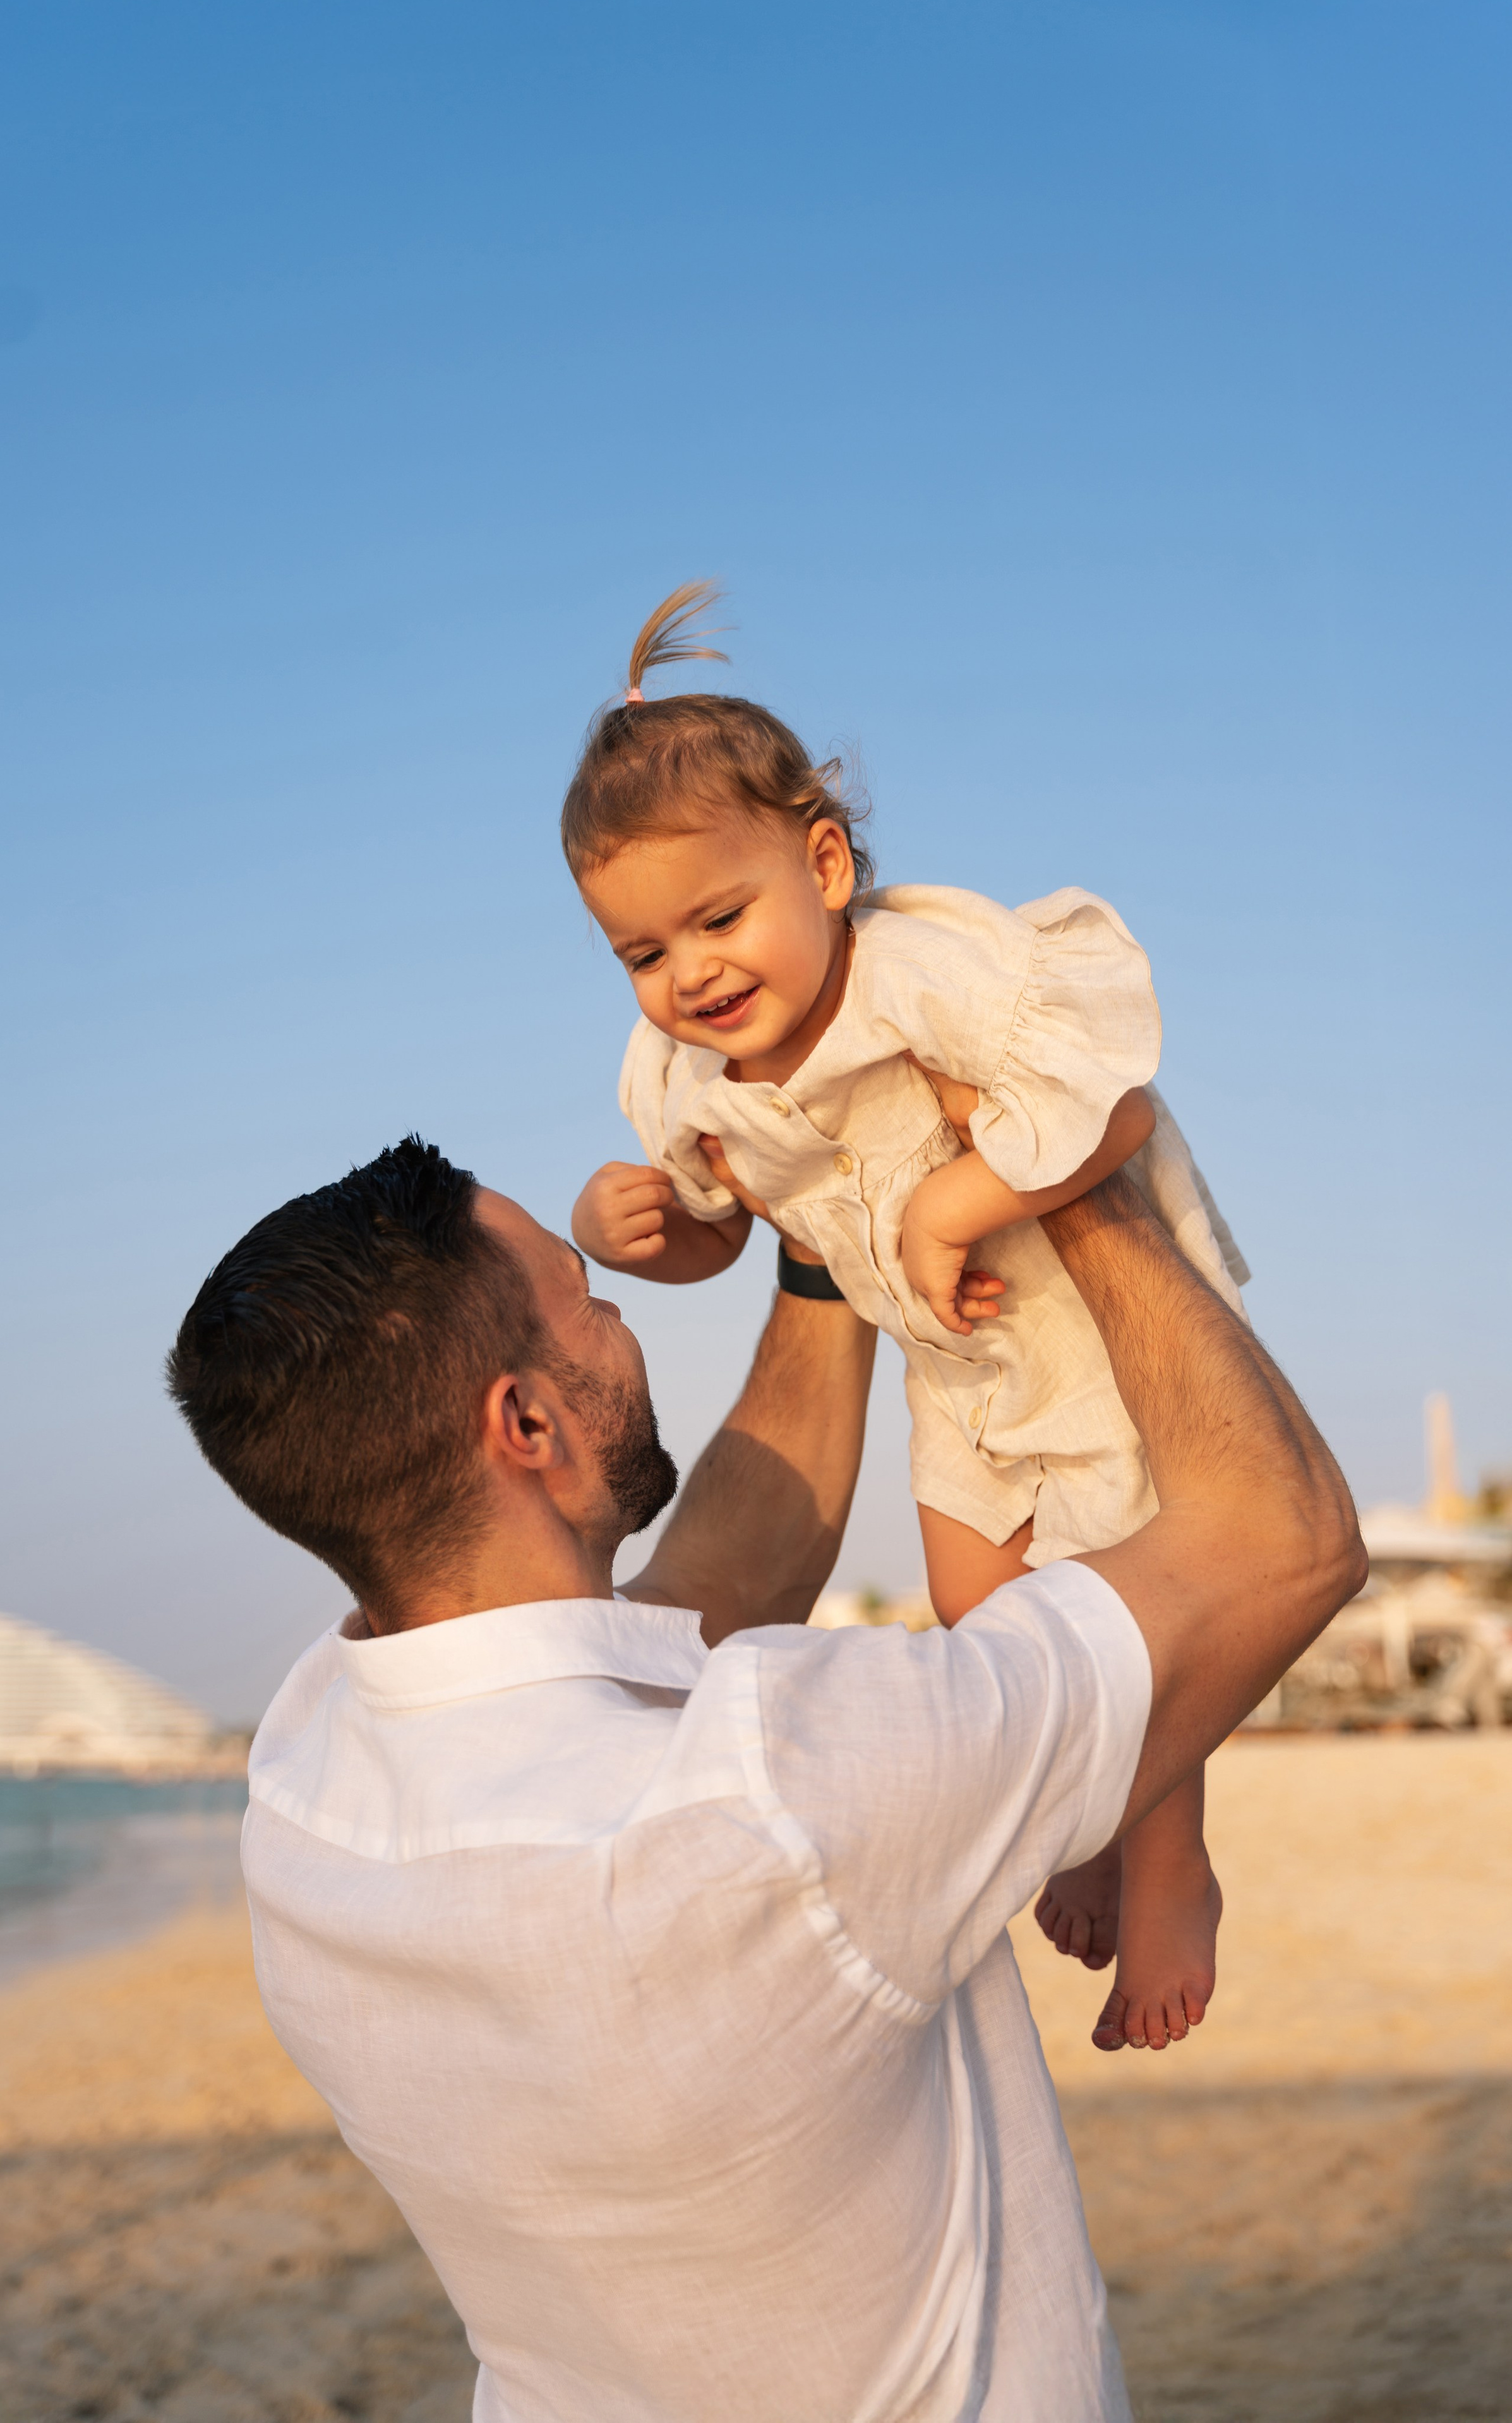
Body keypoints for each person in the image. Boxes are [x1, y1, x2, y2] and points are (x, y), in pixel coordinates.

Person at [167, 1133, 1362, 2423]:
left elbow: (714, 1589)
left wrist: (815, 1245)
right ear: (526, 1420)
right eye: (588, 1299)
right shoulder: (778, 1794)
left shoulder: (302, 1788)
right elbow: (1280, 1542)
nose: (618, 1320)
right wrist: (1053, 1158)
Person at [565, 583, 1249, 2055]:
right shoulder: (690, 1074)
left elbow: (1112, 1101)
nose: (688, 974)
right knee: (976, 1605)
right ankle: (1072, 1817)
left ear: (821, 863)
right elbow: (723, 1232)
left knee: (1133, 1583)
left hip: (1076, 1320)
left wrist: (951, 1202)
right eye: (641, 954)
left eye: (717, 917)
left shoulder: (922, 969)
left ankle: (1167, 1852)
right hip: (954, 1363)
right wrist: (636, 1230)